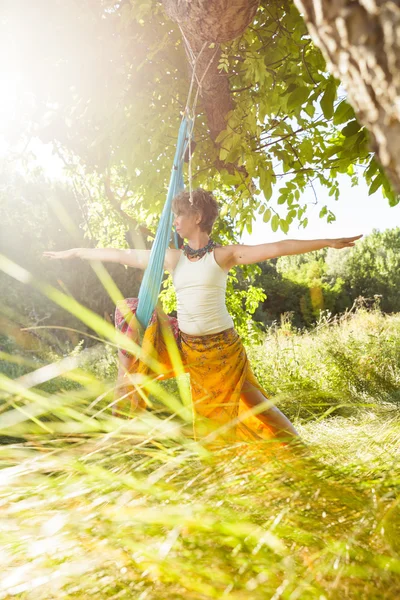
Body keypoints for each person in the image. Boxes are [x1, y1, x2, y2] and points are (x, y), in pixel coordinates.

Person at [44, 188, 361, 447]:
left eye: (180, 214)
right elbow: (123, 255)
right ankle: (124, 394)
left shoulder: (223, 255)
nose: (175, 221)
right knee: (131, 306)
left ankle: (298, 448)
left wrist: (327, 242)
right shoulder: (174, 258)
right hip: (189, 348)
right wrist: (76, 252)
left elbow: (278, 246)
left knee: (255, 404)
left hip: (223, 351)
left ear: (197, 217)